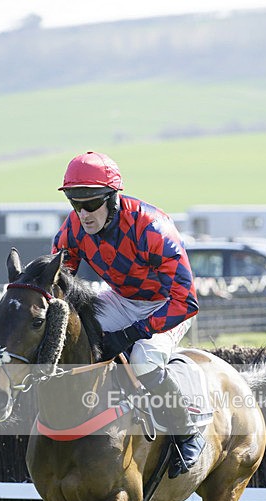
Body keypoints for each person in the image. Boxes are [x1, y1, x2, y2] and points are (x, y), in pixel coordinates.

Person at [52, 150, 205, 478]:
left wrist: (133, 332)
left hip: (166, 304)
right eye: (75, 203)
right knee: (76, 335)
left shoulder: (151, 227)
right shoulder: (74, 228)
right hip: (121, 297)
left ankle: (188, 430)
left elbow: (186, 301)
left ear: (112, 198)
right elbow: (58, 281)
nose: (83, 213)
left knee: (143, 360)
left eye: (91, 203)